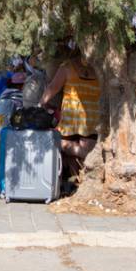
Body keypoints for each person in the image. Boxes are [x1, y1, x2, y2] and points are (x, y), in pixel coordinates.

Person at [42, 44, 102, 187]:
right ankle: (81, 182)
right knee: (85, 153)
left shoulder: (67, 67)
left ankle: (78, 181)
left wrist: (41, 104)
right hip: (92, 120)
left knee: (60, 144)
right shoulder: (100, 68)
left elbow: (53, 88)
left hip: (71, 119)